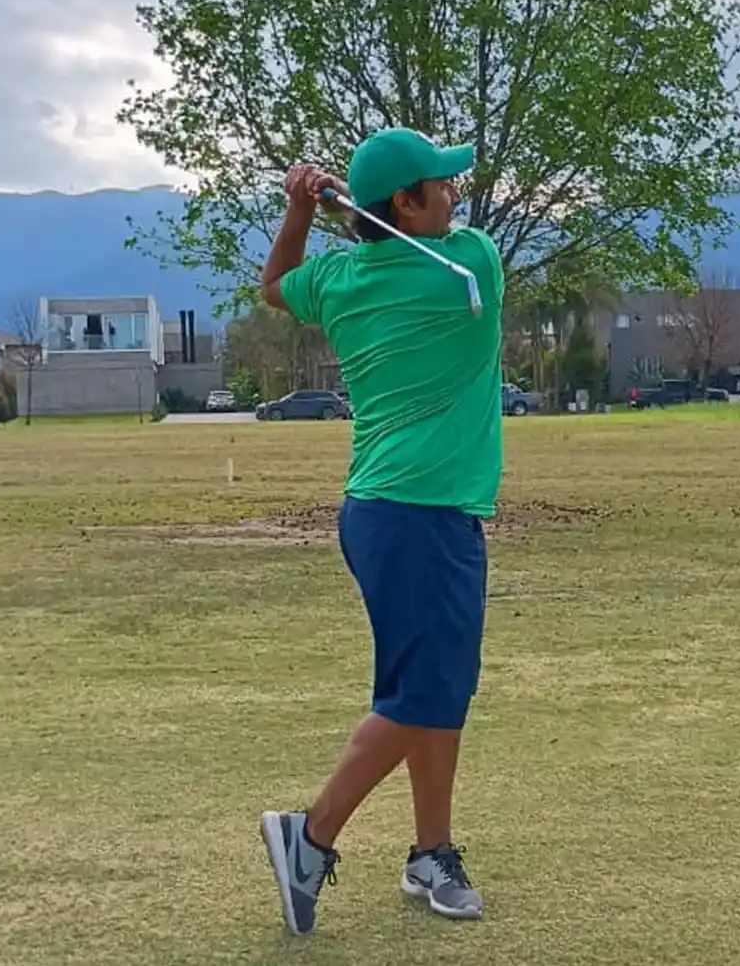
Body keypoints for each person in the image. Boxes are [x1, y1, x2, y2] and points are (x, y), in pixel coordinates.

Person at [256, 127, 505, 937]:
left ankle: (432, 852)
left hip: (384, 515)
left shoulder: (339, 279)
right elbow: (427, 246)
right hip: (421, 516)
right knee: (425, 692)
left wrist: (302, 207)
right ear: (404, 202)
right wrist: (339, 205)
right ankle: (310, 835)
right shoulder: (470, 267)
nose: (454, 193)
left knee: (432, 691)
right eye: (440, 183)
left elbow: (276, 283)